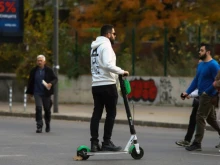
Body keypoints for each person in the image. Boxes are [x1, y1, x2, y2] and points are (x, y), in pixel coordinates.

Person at [90, 24, 129, 152]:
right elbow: (107, 64)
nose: (114, 36)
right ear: (108, 34)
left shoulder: (94, 48)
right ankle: (107, 141)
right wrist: (122, 71)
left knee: (97, 113)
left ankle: (94, 143)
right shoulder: (106, 46)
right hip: (107, 84)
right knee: (111, 113)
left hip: (96, 85)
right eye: (114, 33)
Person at [181, 43, 220, 151]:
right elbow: (196, 80)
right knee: (211, 119)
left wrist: (207, 92)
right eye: (199, 50)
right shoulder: (201, 64)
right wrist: (187, 92)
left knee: (200, 117)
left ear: (208, 52)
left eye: (201, 50)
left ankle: (197, 143)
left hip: (208, 96)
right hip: (202, 95)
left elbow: (217, 81)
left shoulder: (214, 65)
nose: (199, 52)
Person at [26, 55, 58, 133]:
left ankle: (47, 123)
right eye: (38, 60)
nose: (39, 62)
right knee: (38, 108)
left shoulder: (48, 70)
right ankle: (39, 126)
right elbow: (30, 82)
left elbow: (55, 79)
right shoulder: (34, 71)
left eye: (41, 61)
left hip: (46, 93)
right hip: (37, 93)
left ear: (44, 62)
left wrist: (50, 83)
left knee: (47, 109)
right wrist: (29, 93)